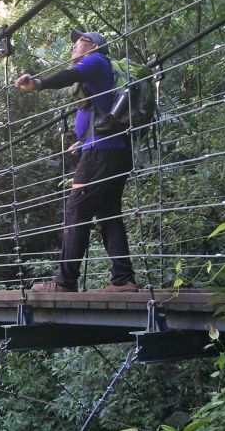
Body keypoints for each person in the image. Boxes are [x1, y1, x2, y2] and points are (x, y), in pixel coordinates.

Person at [14, 29, 138, 292]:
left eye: (78, 41)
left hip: (101, 154)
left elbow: (69, 75)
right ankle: (123, 280)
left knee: (76, 211)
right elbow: (105, 115)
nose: (73, 46)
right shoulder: (103, 72)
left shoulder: (94, 60)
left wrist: (38, 83)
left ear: (93, 45)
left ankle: (64, 282)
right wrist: (83, 140)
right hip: (115, 150)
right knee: (108, 214)